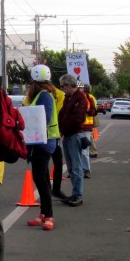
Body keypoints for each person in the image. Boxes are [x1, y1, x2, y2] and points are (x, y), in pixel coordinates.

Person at [24, 64, 58, 230]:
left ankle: (49, 215)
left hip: (43, 142)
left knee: (41, 179)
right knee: (42, 177)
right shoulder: (44, 95)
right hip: (42, 141)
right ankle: (44, 213)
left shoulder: (43, 96)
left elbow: (43, 117)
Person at [57, 74, 88, 206]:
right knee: (70, 168)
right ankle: (75, 193)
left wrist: (63, 127)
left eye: (63, 86)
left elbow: (78, 117)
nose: (62, 88)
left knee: (76, 167)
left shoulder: (80, 98)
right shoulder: (68, 98)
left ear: (70, 85)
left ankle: (78, 195)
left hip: (75, 135)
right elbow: (62, 114)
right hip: (68, 135)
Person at [81, 84, 98, 176]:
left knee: (84, 149)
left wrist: (87, 110)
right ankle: (77, 170)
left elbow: (94, 111)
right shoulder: (71, 97)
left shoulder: (90, 98)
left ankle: (86, 169)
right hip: (76, 127)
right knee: (76, 150)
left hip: (87, 126)